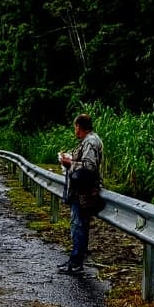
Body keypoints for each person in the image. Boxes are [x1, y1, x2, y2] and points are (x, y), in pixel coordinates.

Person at [57, 113, 104, 274]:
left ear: (79, 126)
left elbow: (89, 167)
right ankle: (74, 261)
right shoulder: (88, 141)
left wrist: (69, 162)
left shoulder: (90, 141)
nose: (74, 131)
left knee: (78, 227)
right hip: (81, 191)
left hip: (84, 192)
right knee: (78, 226)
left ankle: (76, 264)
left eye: (75, 127)